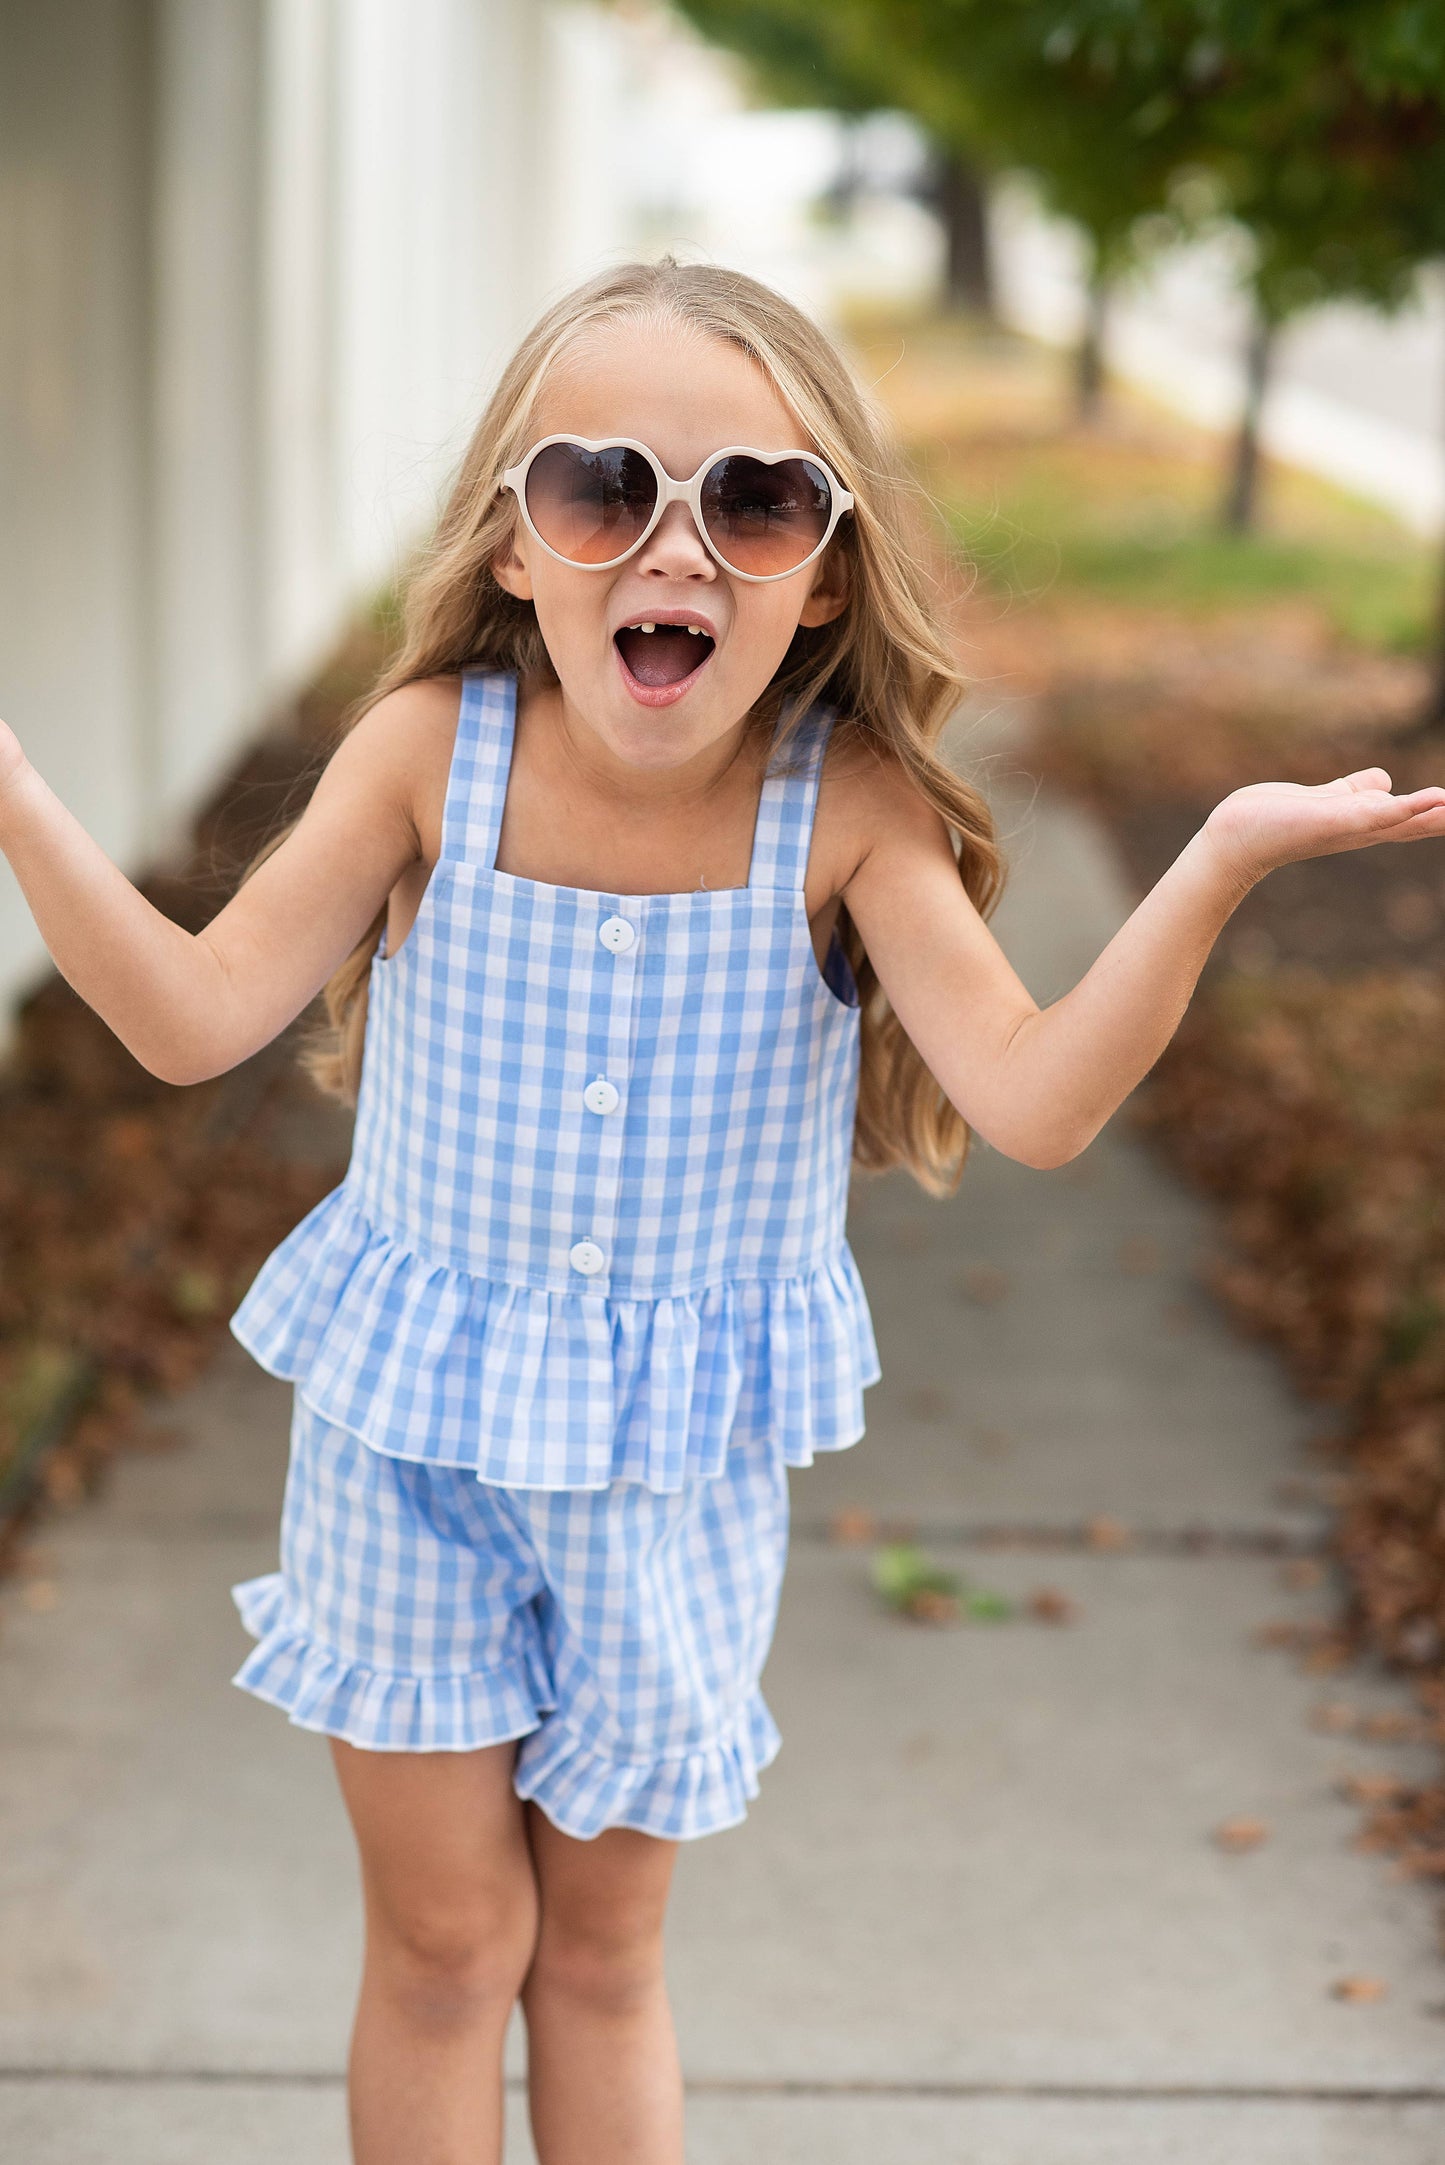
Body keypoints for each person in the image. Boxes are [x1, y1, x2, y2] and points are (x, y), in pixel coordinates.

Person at [2, 256, 1442, 2165]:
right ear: (518, 542)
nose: (673, 544)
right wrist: (15, 789)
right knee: (444, 1943)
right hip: (404, 1442)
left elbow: (1029, 1098)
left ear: (825, 571)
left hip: (670, 1483)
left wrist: (1220, 859)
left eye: (752, 502)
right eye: (605, 487)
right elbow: (190, 1019)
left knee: (594, 1958)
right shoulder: (435, 752)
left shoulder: (843, 811)